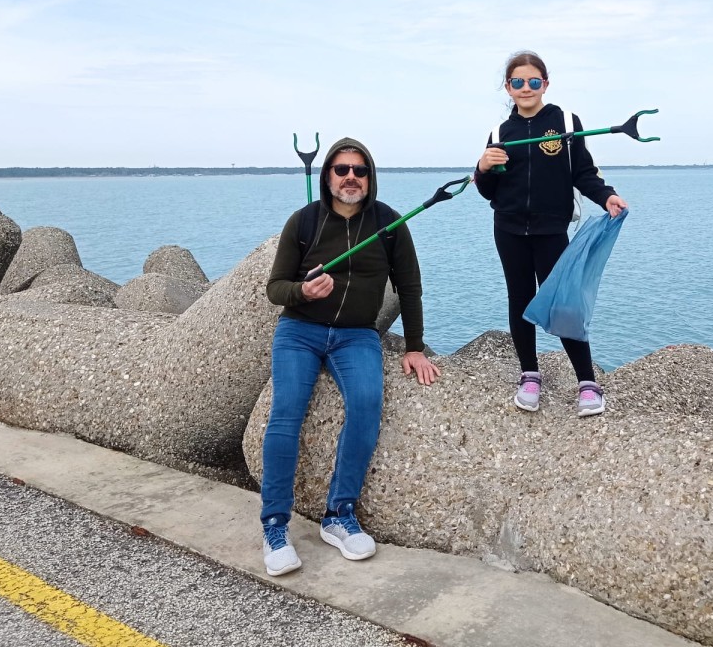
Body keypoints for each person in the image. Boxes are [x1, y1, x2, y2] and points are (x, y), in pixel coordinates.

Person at [260, 137, 439, 576]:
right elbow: (275, 288)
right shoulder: (304, 221)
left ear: (370, 177)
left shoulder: (390, 224)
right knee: (286, 413)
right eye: (342, 170)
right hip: (299, 331)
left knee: (366, 404)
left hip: (356, 335)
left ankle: (339, 515)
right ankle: (274, 526)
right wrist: (303, 291)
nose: (351, 177)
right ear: (328, 176)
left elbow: (410, 287)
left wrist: (414, 346)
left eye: (360, 170)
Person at [474, 51, 628, 417]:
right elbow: (489, 192)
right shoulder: (500, 133)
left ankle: (587, 382)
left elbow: (583, 173)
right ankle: (529, 375)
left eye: (533, 81)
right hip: (508, 228)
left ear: (545, 84)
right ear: (508, 88)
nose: (525, 88)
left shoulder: (565, 122)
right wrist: (482, 167)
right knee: (520, 298)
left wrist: (606, 196)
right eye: (517, 82)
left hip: (551, 229)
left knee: (563, 302)